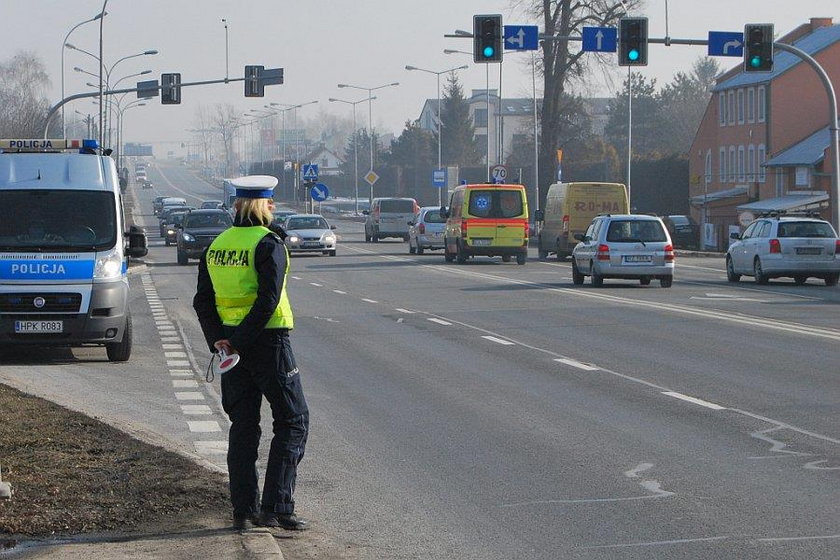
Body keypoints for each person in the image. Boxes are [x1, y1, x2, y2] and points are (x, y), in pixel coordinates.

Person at [193, 175, 309, 532]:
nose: (274, 208)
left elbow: (202, 301)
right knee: (293, 421)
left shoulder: (217, 245)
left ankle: (243, 509)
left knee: (243, 426)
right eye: (271, 203)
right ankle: (276, 507)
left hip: (231, 349)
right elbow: (268, 300)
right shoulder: (268, 243)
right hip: (268, 342)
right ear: (264, 205)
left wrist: (221, 342)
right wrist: (241, 341)